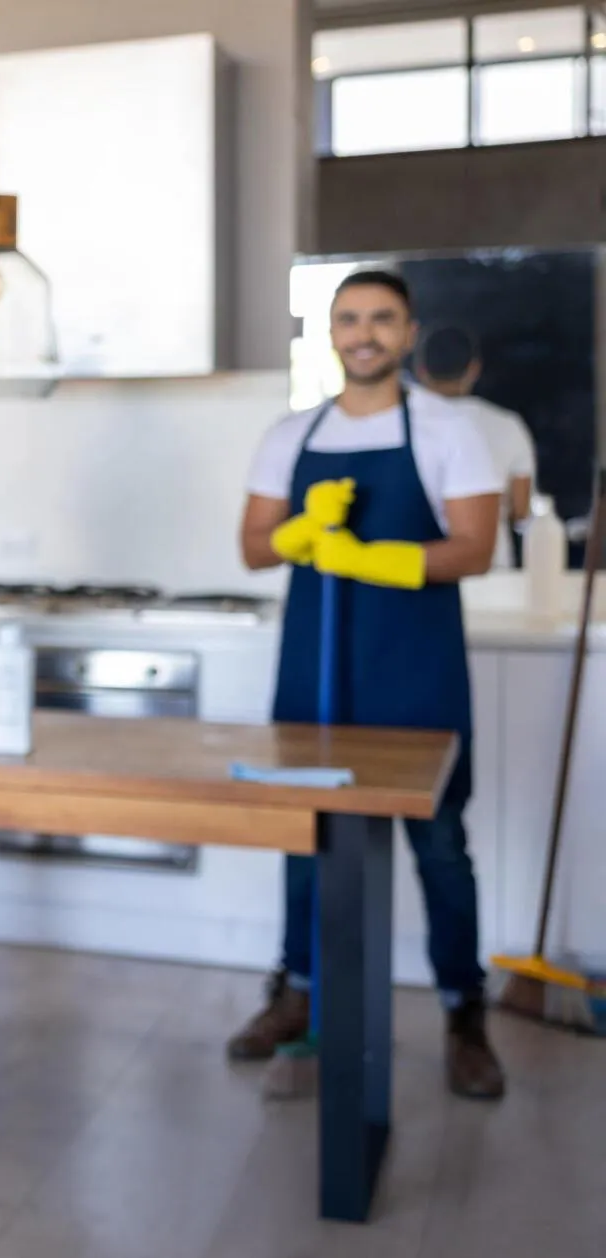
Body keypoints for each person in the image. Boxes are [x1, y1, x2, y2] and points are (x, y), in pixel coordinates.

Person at [233, 271, 506, 1100]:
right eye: (348, 319)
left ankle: (463, 1011)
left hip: (416, 672)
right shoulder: (290, 434)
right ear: (330, 333)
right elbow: (252, 548)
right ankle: (301, 993)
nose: (364, 333)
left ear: (408, 331)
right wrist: (303, 532)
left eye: (381, 319)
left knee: (440, 846)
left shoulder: (447, 430)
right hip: (315, 671)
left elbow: (476, 548)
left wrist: (369, 558)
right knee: (307, 840)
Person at [416, 324, 537, 569]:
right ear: (474, 368)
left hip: (421, 570)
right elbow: (521, 511)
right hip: (492, 575)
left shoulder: (398, 425)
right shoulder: (507, 425)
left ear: (420, 370)